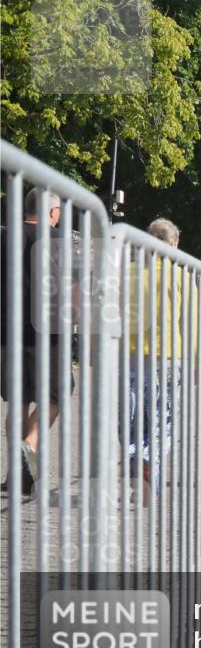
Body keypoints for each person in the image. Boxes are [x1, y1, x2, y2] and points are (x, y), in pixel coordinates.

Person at [2, 188, 74, 497]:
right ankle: (27, 450)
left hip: (7, 332)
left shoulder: (5, 236)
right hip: (49, 334)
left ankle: (18, 473)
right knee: (56, 397)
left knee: (18, 400)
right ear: (53, 212)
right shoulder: (60, 241)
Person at [121, 218, 199, 496]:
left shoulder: (128, 273)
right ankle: (148, 460)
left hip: (130, 357)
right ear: (174, 244)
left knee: (132, 420)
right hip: (167, 357)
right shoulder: (181, 277)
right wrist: (196, 364)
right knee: (163, 420)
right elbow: (191, 325)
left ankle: (136, 460)